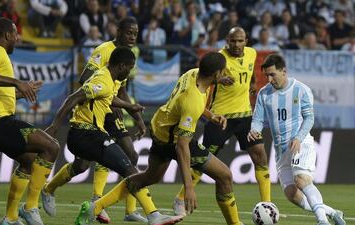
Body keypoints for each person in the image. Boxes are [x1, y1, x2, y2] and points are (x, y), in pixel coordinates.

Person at [80, 52, 244, 225]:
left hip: (160, 128)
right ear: (216, 74)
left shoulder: (192, 73)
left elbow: (187, 106)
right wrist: (188, 187)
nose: (226, 74)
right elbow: (182, 146)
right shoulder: (193, 101)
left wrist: (210, 116)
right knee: (225, 176)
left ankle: (94, 207)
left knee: (148, 178)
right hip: (172, 140)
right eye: (223, 72)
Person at [45, 46, 183, 225]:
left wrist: (129, 106)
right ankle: (153, 215)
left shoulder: (109, 79)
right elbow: (74, 97)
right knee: (130, 168)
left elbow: (108, 97)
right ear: (121, 65)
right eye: (130, 67)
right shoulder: (103, 79)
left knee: (83, 166)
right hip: (86, 133)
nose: (130, 72)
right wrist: (55, 126)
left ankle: (86, 205)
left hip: (87, 134)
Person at [41, 16, 147, 223]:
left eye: (135, 33)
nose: (132, 37)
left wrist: (138, 119)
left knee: (131, 156)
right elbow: (84, 79)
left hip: (111, 109)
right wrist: (107, 97)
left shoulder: (127, 56)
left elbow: (123, 90)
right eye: (129, 32)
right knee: (81, 166)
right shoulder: (103, 50)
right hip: (96, 109)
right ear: (118, 31)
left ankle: (126, 210)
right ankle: (49, 188)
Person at [173, 27, 271, 216]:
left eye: (240, 41)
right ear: (227, 40)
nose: (236, 45)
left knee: (260, 155)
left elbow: (250, 72)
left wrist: (251, 85)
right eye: (232, 41)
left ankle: (267, 205)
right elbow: (202, 80)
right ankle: (180, 197)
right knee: (203, 161)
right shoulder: (218, 59)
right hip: (221, 118)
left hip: (244, 115)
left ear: (246, 41)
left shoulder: (252, 54)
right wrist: (218, 80)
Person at [0, 18, 60, 225]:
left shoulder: (0, 55)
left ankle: (10, 218)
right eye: (15, 34)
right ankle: (30, 207)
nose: (18, 38)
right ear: (7, 35)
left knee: (29, 161)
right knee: (51, 146)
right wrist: (17, 83)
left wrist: (21, 91)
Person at [248, 54, 346, 225]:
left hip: (300, 143)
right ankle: (332, 212)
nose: (270, 79)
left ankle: (322, 221)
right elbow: (257, 119)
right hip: (280, 150)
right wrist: (254, 130)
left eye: (273, 75)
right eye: (267, 76)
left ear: (283, 71)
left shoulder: (301, 89)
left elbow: (309, 118)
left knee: (301, 180)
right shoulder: (264, 94)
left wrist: (299, 138)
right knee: (291, 194)